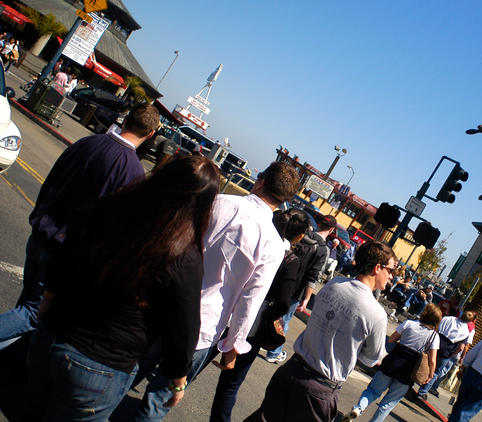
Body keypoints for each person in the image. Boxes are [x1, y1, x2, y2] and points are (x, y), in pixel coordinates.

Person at [25, 155, 221, 421]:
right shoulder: (184, 255)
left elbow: (67, 252)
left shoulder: (114, 206)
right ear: (203, 206)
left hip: (52, 333)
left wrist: (48, 297)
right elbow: (183, 327)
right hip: (101, 363)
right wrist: (178, 379)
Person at [131, 160, 300, 421]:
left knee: (125, 375)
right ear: (285, 200)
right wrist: (234, 345)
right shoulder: (273, 243)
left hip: (161, 304)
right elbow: (250, 300)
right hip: (203, 329)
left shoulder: (218, 202)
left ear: (261, 181)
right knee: (158, 402)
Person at [0, 104, 159, 350]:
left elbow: (53, 179)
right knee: (33, 313)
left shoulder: (88, 143)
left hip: (42, 233)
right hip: (65, 252)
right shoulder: (133, 172)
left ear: (126, 120)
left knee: (28, 305)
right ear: (150, 134)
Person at [246, 241, 395, 422]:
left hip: (291, 370)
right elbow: (370, 359)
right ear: (378, 268)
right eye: (391, 270)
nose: (392, 277)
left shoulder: (334, 284)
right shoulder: (376, 313)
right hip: (319, 389)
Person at [209, 209, 310, 422]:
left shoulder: (259, 239)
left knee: (193, 364)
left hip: (222, 308)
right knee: (230, 384)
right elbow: (283, 302)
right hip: (251, 327)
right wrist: (270, 314)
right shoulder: (290, 260)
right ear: (299, 236)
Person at [342, 304, 442, 422]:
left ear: (424, 314)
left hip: (392, 363)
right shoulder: (434, 337)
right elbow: (432, 360)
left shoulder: (409, 324)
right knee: (387, 404)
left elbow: (391, 339)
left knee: (373, 391)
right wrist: (430, 375)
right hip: (407, 372)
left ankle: (358, 408)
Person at [264, 214, 335, 363]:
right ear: (332, 230)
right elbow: (313, 276)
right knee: (284, 319)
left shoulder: (303, 234)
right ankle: (274, 351)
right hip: (296, 289)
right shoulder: (323, 249)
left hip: (280, 277)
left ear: (319, 223)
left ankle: (260, 337)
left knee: (268, 309)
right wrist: (307, 298)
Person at [417, 311, 478, 399]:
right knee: (436, 372)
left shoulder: (447, 319)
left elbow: (436, 328)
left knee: (424, 363)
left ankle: (415, 378)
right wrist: (454, 354)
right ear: (470, 320)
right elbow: (461, 347)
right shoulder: (466, 332)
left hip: (435, 344)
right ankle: (422, 391)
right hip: (446, 352)